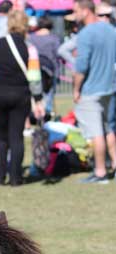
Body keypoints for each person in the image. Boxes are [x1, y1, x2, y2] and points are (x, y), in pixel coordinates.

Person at [0, 10, 45, 186]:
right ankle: (16, 178)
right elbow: (34, 78)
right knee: (16, 137)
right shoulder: (30, 48)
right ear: (25, 26)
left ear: (9, 24)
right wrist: (38, 99)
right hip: (21, 95)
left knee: (0, 138)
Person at [72, 0, 116, 183]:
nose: (74, 16)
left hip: (91, 89)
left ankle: (100, 172)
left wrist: (76, 89)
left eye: (76, 11)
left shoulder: (85, 34)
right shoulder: (111, 30)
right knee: (108, 128)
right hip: (109, 87)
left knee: (96, 132)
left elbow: (81, 67)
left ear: (85, 11)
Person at [29, 16, 61, 114]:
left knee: (35, 95)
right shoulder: (54, 39)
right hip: (50, 71)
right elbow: (57, 56)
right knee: (48, 96)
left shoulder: (31, 38)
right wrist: (57, 74)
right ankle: (45, 115)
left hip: (33, 71)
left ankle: (35, 114)